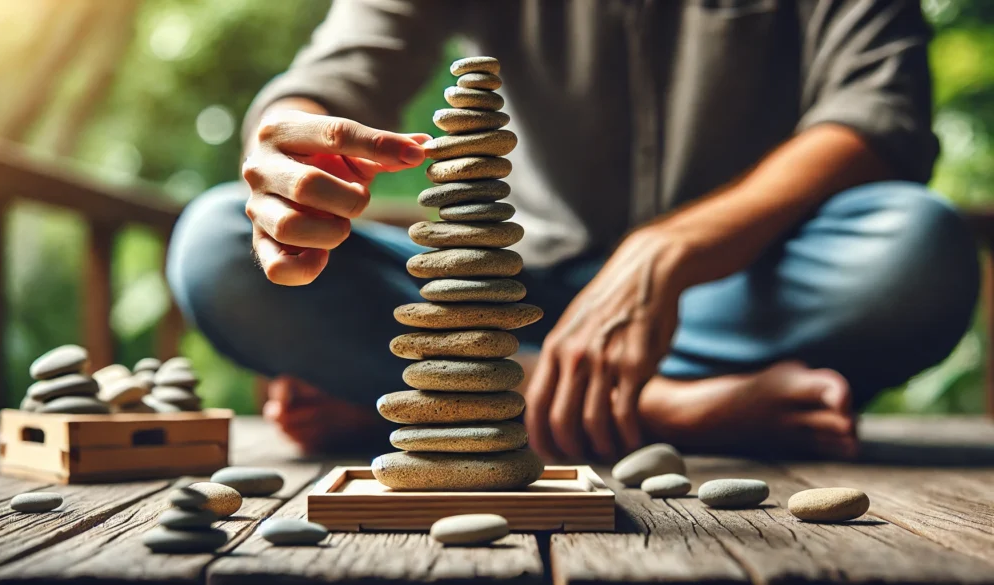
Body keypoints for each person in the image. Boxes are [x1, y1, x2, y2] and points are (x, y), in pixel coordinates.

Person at [167, 0, 979, 462]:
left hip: (724, 295)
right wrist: (288, 150)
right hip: (506, 301)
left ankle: (456, 400)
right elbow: (334, 73)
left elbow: (880, 116)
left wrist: (670, 249)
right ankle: (679, 412)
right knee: (215, 242)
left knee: (918, 250)